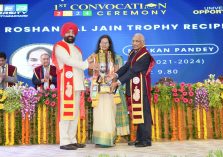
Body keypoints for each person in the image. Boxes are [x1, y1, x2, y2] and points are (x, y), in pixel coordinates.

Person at [52, 22, 97, 150]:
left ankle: (72, 139)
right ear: (63, 33)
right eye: (68, 32)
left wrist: (88, 62)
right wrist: (86, 64)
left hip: (77, 84)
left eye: (73, 32)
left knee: (75, 114)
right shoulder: (59, 46)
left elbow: (79, 67)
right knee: (66, 113)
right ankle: (64, 141)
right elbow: (68, 61)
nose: (70, 34)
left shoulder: (77, 49)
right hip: (67, 85)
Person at [109, 33, 155, 147]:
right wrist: (115, 74)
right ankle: (139, 139)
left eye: (137, 41)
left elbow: (132, 71)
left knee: (144, 114)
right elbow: (126, 67)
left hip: (141, 89)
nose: (134, 43)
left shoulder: (145, 55)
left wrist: (118, 82)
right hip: (135, 88)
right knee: (138, 113)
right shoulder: (133, 53)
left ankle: (146, 140)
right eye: (133, 41)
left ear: (143, 42)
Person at [89, 35, 129, 147]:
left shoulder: (116, 58)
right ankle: (99, 139)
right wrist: (93, 68)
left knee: (110, 114)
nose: (104, 45)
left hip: (110, 90)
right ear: (99, 44)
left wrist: (112, 75)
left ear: (110, 44)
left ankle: (109, 140)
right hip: (98, 91)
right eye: (102, 43)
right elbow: (90, 73)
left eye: (106, 43)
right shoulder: (94, 56)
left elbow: (119, 73)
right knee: (98, 114)